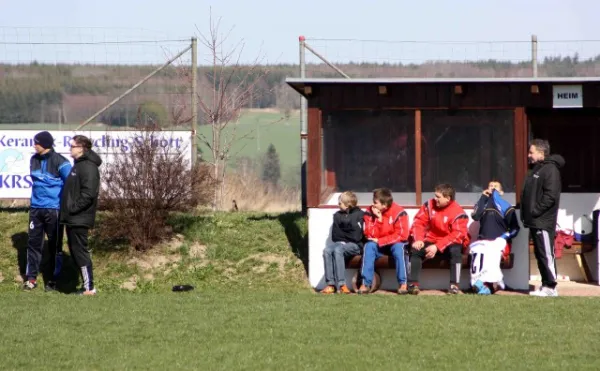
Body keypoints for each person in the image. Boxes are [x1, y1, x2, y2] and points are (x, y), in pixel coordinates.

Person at [23, 131, 72, 291]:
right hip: (36, 209)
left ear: (44, 144)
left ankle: (52, 280)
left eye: (36, 142)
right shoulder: (33, 159)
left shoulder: (61, 162)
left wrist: (67, 207)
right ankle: (31, 279)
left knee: (54, 246)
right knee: (33, 244)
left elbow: (70, 185)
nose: (33, 145)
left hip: (54, 209)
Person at [521, 139, 565, 297]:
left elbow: (550, 196)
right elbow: (530, 195)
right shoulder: (536, 170)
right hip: (535, 220)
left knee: (546, 253)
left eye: (531, 152)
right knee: (540, 254)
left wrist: (535, 211)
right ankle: (546, 286)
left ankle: (551, 286)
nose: (528, 155)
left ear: (541, 153)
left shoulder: (550, 169)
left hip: (543, 221)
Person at [408, 183, 470, 295]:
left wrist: (437, 247)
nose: (435, 199)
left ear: (447, 198)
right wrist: (419, 239)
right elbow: (418, 222)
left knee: (455, 252)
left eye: (438, 197)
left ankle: (454, 285)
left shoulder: (459, 213)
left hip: (450, 242)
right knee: (416, 250)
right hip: (431, 239)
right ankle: (413, 284)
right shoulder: (429, 205)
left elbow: (457, 235)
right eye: (435, 196)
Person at [60, 135, 102, 296]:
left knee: (80, 252)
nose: (70, 148)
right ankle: (87, 287)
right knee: (75, 251)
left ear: (81, 148)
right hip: (73, 218)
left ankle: (89, 288)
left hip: (79, 217)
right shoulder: (78, 165)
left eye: (72, 146)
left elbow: (88, 194)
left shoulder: (88, 167)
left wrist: (72, 208)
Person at [469, 181, 520, 294]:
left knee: (491, 254)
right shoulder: (482, 204)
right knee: (478, 256)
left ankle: (488, 285)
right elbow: (476, 216)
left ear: (501, 192)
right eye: (490, 186)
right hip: (482, 242)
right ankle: (483, 284)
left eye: (495, 186)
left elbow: (515, 228)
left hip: (499, 243)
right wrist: (483, 197)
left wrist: (504, 236)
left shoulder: (506, 205)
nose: (492, 188)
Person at [358, 188, 409, 295]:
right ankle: (365, 283)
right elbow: (370, 235)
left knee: (400, 248)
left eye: (375, 202)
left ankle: (403, 283)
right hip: (378, 244)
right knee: (369, 246)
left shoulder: (400, 212)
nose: (373, 204)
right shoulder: (369, 212)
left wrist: (381, 239)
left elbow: (402, 235)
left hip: (394, 243)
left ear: (384, 205)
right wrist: (378, 219)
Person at [320, 191, 364, 294]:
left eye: (340, 203)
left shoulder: (360, 215)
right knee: (327, 250)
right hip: (340, 244)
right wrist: (348, 235)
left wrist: (344, 236)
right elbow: (335, 236)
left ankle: (342, 285)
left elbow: (357, 236)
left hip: (356, 245)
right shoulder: (337, 216)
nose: (338, 205)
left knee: (338, 249)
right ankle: (331, 284)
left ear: (347, 204)